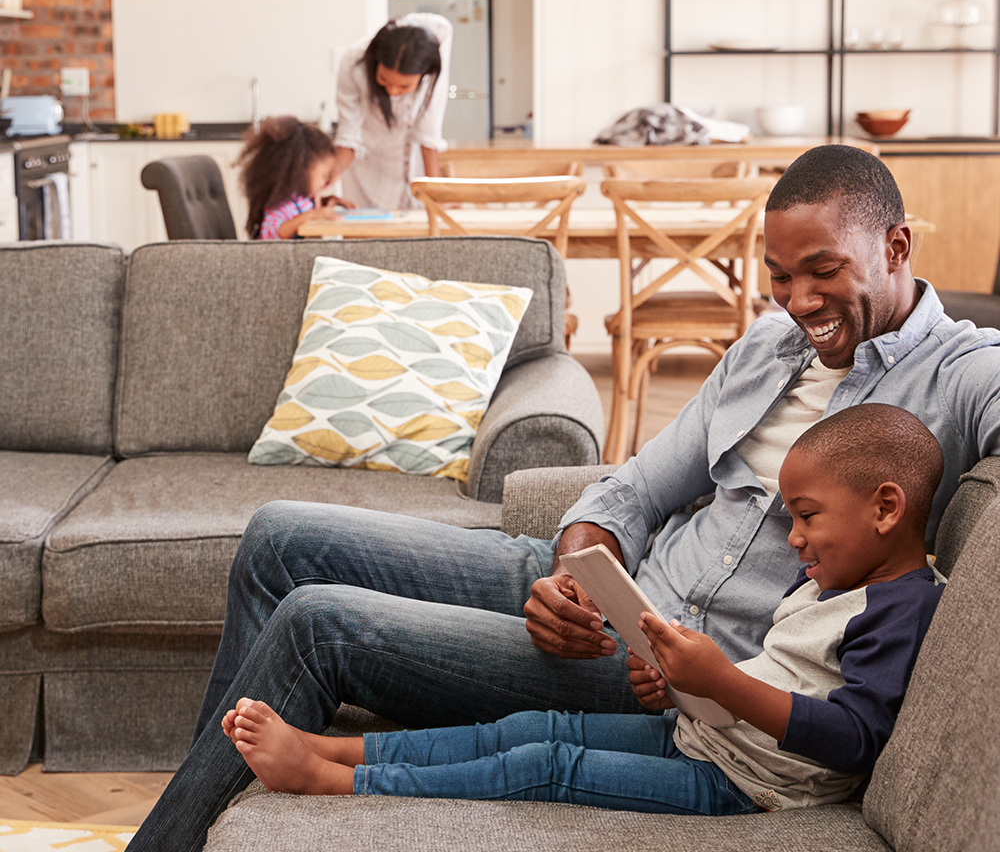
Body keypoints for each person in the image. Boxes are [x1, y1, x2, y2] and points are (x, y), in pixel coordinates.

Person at [129, 144, 1000, 850]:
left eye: (823, 271)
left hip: (669, 675)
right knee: (279, 533)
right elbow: (633, 488)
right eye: (779, 275)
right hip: (605, 594)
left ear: (896, 248)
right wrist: (578, 566)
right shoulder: (767, 348)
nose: (799, 300)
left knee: (319, 620)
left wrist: (645, 636)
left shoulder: (961, 374)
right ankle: (221, 816)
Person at [222, 404, 946, 816]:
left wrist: (722, 683)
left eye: (807, 517)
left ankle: (340, 781)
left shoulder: (901, 609)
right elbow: (788, 679)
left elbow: (854, 736)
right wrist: (688, 686)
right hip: (708, 735)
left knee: (546, 763)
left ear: (886, 508)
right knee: (529, 728)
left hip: (745, 785)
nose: (792, 539)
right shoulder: (835, 581)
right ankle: (335, 748)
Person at [330, 13, 452, 210]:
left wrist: (436, 189)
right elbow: (348, 132)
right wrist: (327, 180)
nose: (393, 91)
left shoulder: (439, 37)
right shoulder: (354, 61)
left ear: (425, 75)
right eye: (383, 79)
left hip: (412, 166)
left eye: (404, 87)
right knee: (364, 232)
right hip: (366, 166)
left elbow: (429, 123)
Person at [238, 116, 354, 239]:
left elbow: (304, 209)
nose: (326, 183)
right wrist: (312, 216)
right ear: (301, 171)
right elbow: (270, 232)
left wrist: (327, 201)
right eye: (323, 176)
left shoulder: (300, 198)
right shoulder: (281, 203)